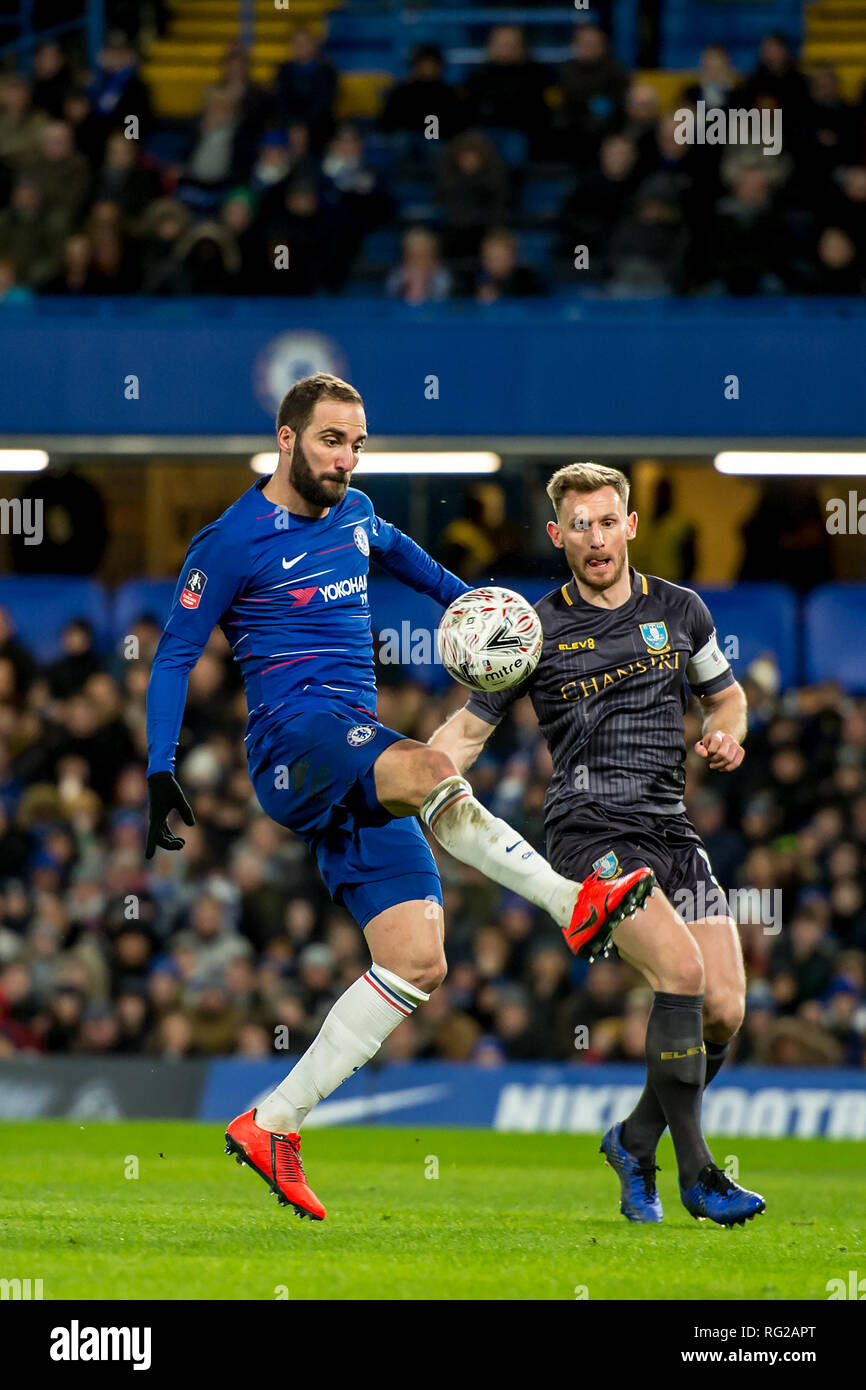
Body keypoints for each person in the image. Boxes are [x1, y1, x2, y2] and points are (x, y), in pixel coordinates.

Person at [144, 376, 655, 1220]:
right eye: (330, 440)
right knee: (426, 767)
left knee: (419, 959)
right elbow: (172, 658)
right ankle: (572, 904)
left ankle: (273, 1122)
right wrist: (161, 765)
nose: (344, 458)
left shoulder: (357, 515)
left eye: (355, 443)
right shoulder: (230, 541)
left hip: (351, 755)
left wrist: (489, 616)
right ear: (286, 439)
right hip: (293, 743)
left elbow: (423, 571)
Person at [429, 461, 766, 1228]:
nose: (595, 538)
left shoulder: (681, 611)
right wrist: (422, 772)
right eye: (578, 526)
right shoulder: (532, 630)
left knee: (724, 1009)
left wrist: (726, 733)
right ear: (558, 536)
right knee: (679, 973)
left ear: (631, 526)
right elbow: (467, 732)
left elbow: (729, 695)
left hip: (672, 829)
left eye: (607, 521)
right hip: (591, 833)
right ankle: (699, 1176)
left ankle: (632, 1140)